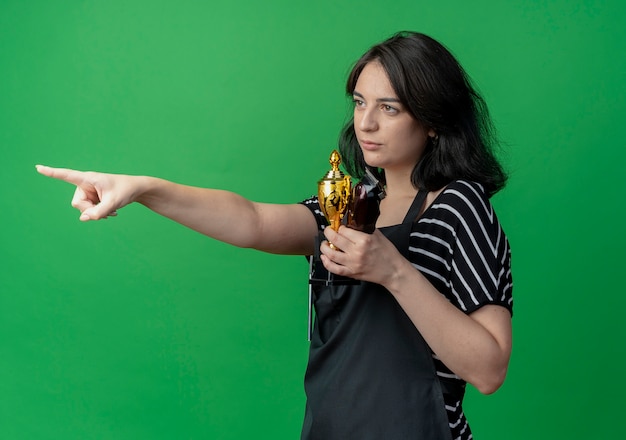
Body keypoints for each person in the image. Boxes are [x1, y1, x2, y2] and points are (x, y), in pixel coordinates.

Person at [37, 31, 513, 440]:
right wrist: (143, 189)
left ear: (432, 120)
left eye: (389, 108)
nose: (365, 123)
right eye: (360, 102)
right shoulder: (347, 204)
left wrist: (394, 272)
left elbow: (489, 367)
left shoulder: (458, 207)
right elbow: (251, 221)